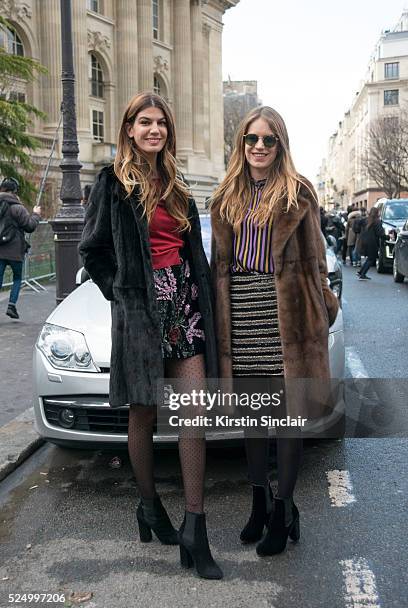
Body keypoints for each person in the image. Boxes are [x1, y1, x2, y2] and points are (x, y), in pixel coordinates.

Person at [79, 92, 222, 580]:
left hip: (182, 303)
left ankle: (195, 526)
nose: (154, 130)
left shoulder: (179, 184)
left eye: (161, 122)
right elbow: (92, 250)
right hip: (141, 309)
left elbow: (191, 251)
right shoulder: (112, 183)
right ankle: (149, 506)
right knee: (143, 412)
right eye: (145, 122)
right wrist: (122, 294)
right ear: (129, 129)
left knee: (193, 410)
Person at [210, 106, 339, 556]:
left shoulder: (298, 192)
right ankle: (259, 501)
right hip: (241, 313)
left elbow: (317, 259)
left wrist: (324, 304)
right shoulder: (226, 194)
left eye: (269, 140)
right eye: (252, 139)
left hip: (287, 311)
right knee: (253, 420)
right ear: (241, 144)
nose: (259, 147)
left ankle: (284, 509)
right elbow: (218, 265)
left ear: (280, 146)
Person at [0, 177, 41, 319]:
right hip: (15, 251)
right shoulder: (18, 207)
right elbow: (29, 226)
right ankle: (11, 305)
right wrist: (36, 214)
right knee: (17, 279)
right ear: (14, 191)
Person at [357, 207, 385, 280]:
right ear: (376, 213)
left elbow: (357, 224)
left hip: (364, 241)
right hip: (372, 243)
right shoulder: (377, 221)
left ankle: (361, 272)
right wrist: (388, 236)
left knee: (369, 258)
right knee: (371, 259)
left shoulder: (366, 220)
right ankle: (362, 274)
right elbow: (380, 233)